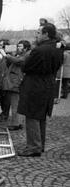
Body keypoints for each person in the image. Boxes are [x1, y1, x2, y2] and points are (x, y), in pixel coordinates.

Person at [17, 23, 63, 156]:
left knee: (31, 116)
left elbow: (25, 67)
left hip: (34, 86)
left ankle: (33, 147)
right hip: (48, 84)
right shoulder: (57, 49)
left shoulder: (38, 50)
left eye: (38, 33)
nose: (36, 35)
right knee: (41, 116)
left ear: (46, 34)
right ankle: (40, 144)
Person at [0, 40, 31, 130]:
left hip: (17, 82)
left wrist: (7, 55)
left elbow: (18, 61)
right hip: (17, 81)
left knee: (15, 104)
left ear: (25, 48)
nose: (18, 48)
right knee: (17, 103)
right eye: (18, 46)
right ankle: (19, 122)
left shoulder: (26, 55)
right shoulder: (23, 54)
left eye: (20, 46)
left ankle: (16, 123)